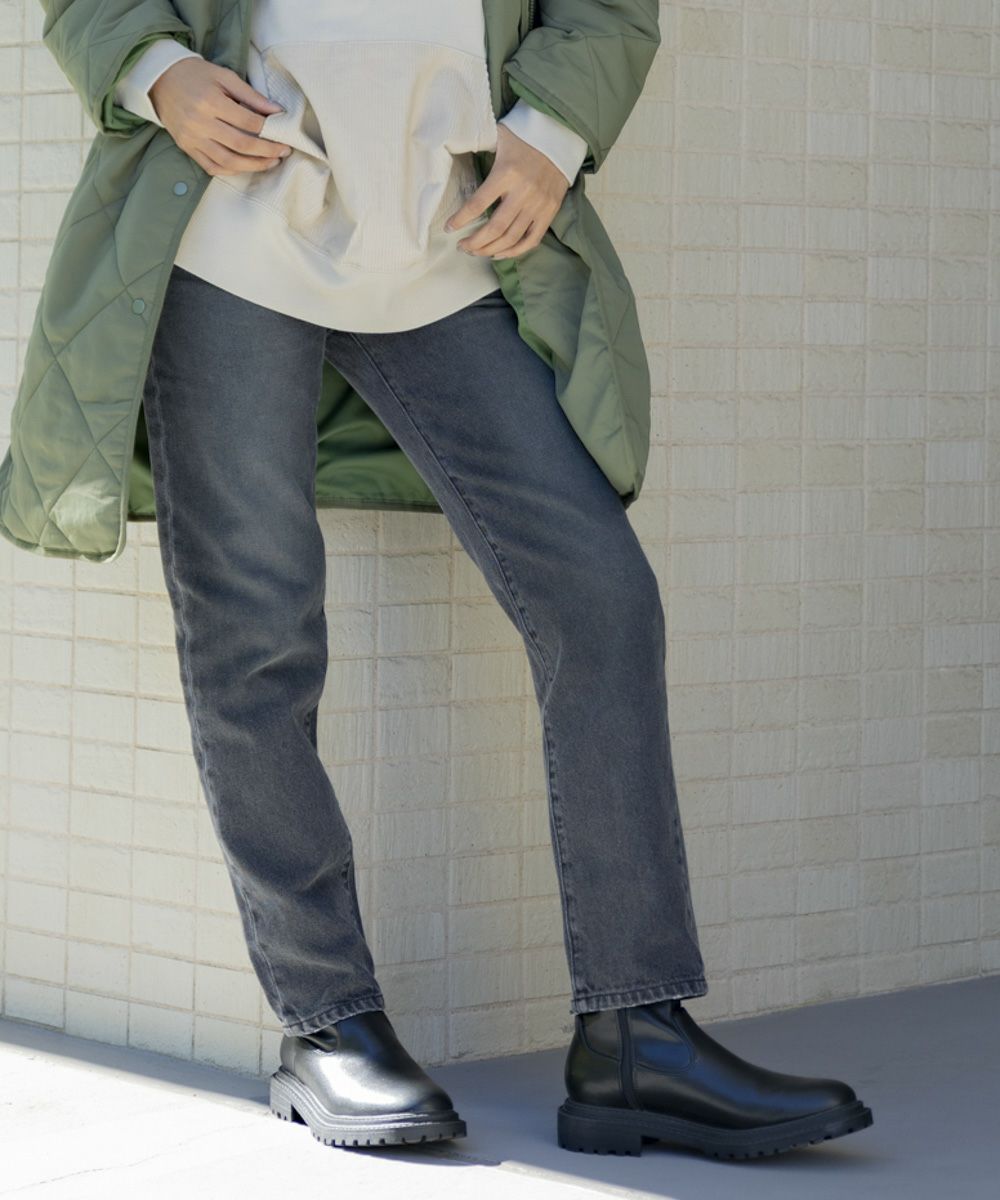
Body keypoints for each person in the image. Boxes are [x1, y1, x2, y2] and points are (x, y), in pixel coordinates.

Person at [6, 0, 873, 1160]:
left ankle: (634, 1033)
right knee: (255, 639)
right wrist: (156, 69)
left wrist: (553, 129)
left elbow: (605, 13)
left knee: (600, 597)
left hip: (451, 243)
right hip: (224, 242)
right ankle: (329, 1022)